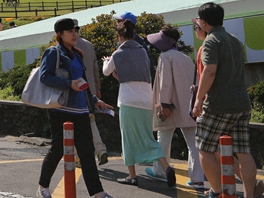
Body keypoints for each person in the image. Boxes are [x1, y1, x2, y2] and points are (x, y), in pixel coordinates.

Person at [36, 18, 114, 198]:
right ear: (60, 34)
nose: (74, 34)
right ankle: (43, 187)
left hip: (81, 110)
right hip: (60, 109)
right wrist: (68, 83)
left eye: (76, 31)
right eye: (70, 31)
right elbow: (45, 77)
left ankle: (98, 193)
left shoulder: (77, 54)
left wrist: (94, 100)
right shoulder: (53, 53)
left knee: (87, 153)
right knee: (57, 149)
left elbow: (83, 83)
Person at [191, 2, 258, 198]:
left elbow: (209, 72)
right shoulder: (235, 40)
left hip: (218, 104)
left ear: (203, 22)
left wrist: (198, 99)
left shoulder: (211, 41)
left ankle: (217, 191)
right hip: (241, 103)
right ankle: (249, 195)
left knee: (205, 148)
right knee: (244, 152)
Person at [103, 19, 176, 188]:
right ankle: (166, 167)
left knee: (128, 139)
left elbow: (106, 72)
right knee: (147, 137)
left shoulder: (117, 54)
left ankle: (132, 175)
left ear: (120, 36)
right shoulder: (142, 51)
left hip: (128, 100)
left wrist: (107, 61)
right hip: (146, 100)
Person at [145, 26, 202, 187]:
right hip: (189, 106)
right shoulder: (185, 57)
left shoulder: (165, 57)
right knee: (193, 143)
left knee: (163, 139)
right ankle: (197, 178)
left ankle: (160, 171)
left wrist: (164, 104)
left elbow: (165, 83)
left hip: (169, 106)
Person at [75, 26, 108, 166]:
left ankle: (78, 157)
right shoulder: (88, 45)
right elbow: (95, 68)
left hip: (76, 90)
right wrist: (97, 88)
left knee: (75, 124)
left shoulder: (68, 46)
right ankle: (100, 150)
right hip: (91, 89)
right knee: (91, 120)